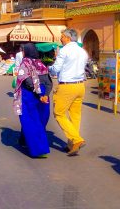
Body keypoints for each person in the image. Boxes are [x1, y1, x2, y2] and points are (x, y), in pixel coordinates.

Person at [49, 28, 88, 156]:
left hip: (67, 86)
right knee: (75, 116)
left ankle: (77, 139)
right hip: (80, 86)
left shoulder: (64, 50)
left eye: (62, 37)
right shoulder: (83, 52)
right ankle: (72, 144)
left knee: (59, 113)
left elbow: (56, 69)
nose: (60, 39)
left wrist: (48, 68)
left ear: (68, 38)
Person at [13, 43, 53, 158]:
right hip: (43, 96)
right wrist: (45, 95)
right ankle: (23, 140)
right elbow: (48, 82)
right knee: (39, 120)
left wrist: (39, 94)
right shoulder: (41, 64)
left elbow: (28, 82)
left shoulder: (25, 64)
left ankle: (39, 149)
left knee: (31, 121)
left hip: (30, 96)